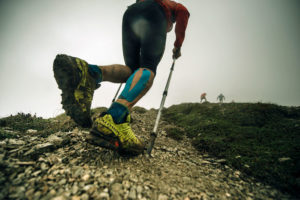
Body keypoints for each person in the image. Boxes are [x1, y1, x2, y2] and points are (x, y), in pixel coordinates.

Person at [53, 0, 190, 155]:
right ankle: (115, 118)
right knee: (148, 68)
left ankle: (89, 73)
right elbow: (183, 11)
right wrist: (178, 46)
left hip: (130, 13)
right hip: (155, 13)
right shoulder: (169, 5)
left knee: (132, 71)